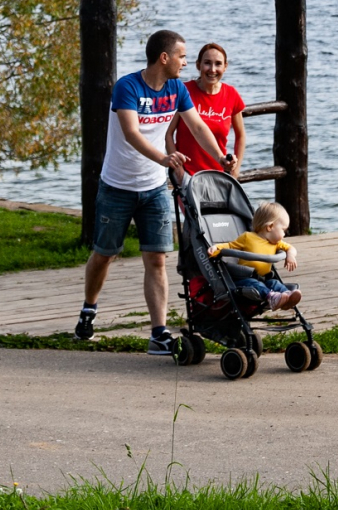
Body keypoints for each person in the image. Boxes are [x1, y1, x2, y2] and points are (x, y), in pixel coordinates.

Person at [77, 29, 227, 356]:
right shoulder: (127, 87)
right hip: (117, 186)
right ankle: (89, 308)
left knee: (156, 259)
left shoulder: (175, 89)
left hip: (155, 187)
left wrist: (220, 155)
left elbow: (198, 126)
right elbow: (131, 133)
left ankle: (158, 333)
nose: (186, 63)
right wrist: (163, 157)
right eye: (182, 57)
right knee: (105, 253)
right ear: (164, 58)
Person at [166, 41, 246, 179]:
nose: (212, 69)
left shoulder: (231, 94)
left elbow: (241, 135)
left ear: (225, 67)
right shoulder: (184, 91)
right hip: (188, 175)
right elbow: (168, 133)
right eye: (207, 63)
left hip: (219, 175)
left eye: (218, 64)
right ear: (198, 65)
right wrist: (177, 169)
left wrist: (235, 169)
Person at [208, 201, 302, 310]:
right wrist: (216, 248)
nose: (284, 235)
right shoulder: (248, 237)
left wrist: (290, 255)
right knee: (256, 285)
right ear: (270, 227)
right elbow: (229, 245)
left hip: (264, 278)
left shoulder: (276, 243)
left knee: (274, 283)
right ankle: (272, 298)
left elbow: (291, 248)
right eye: (283, 230)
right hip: (246, 279)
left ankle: (287, 297)